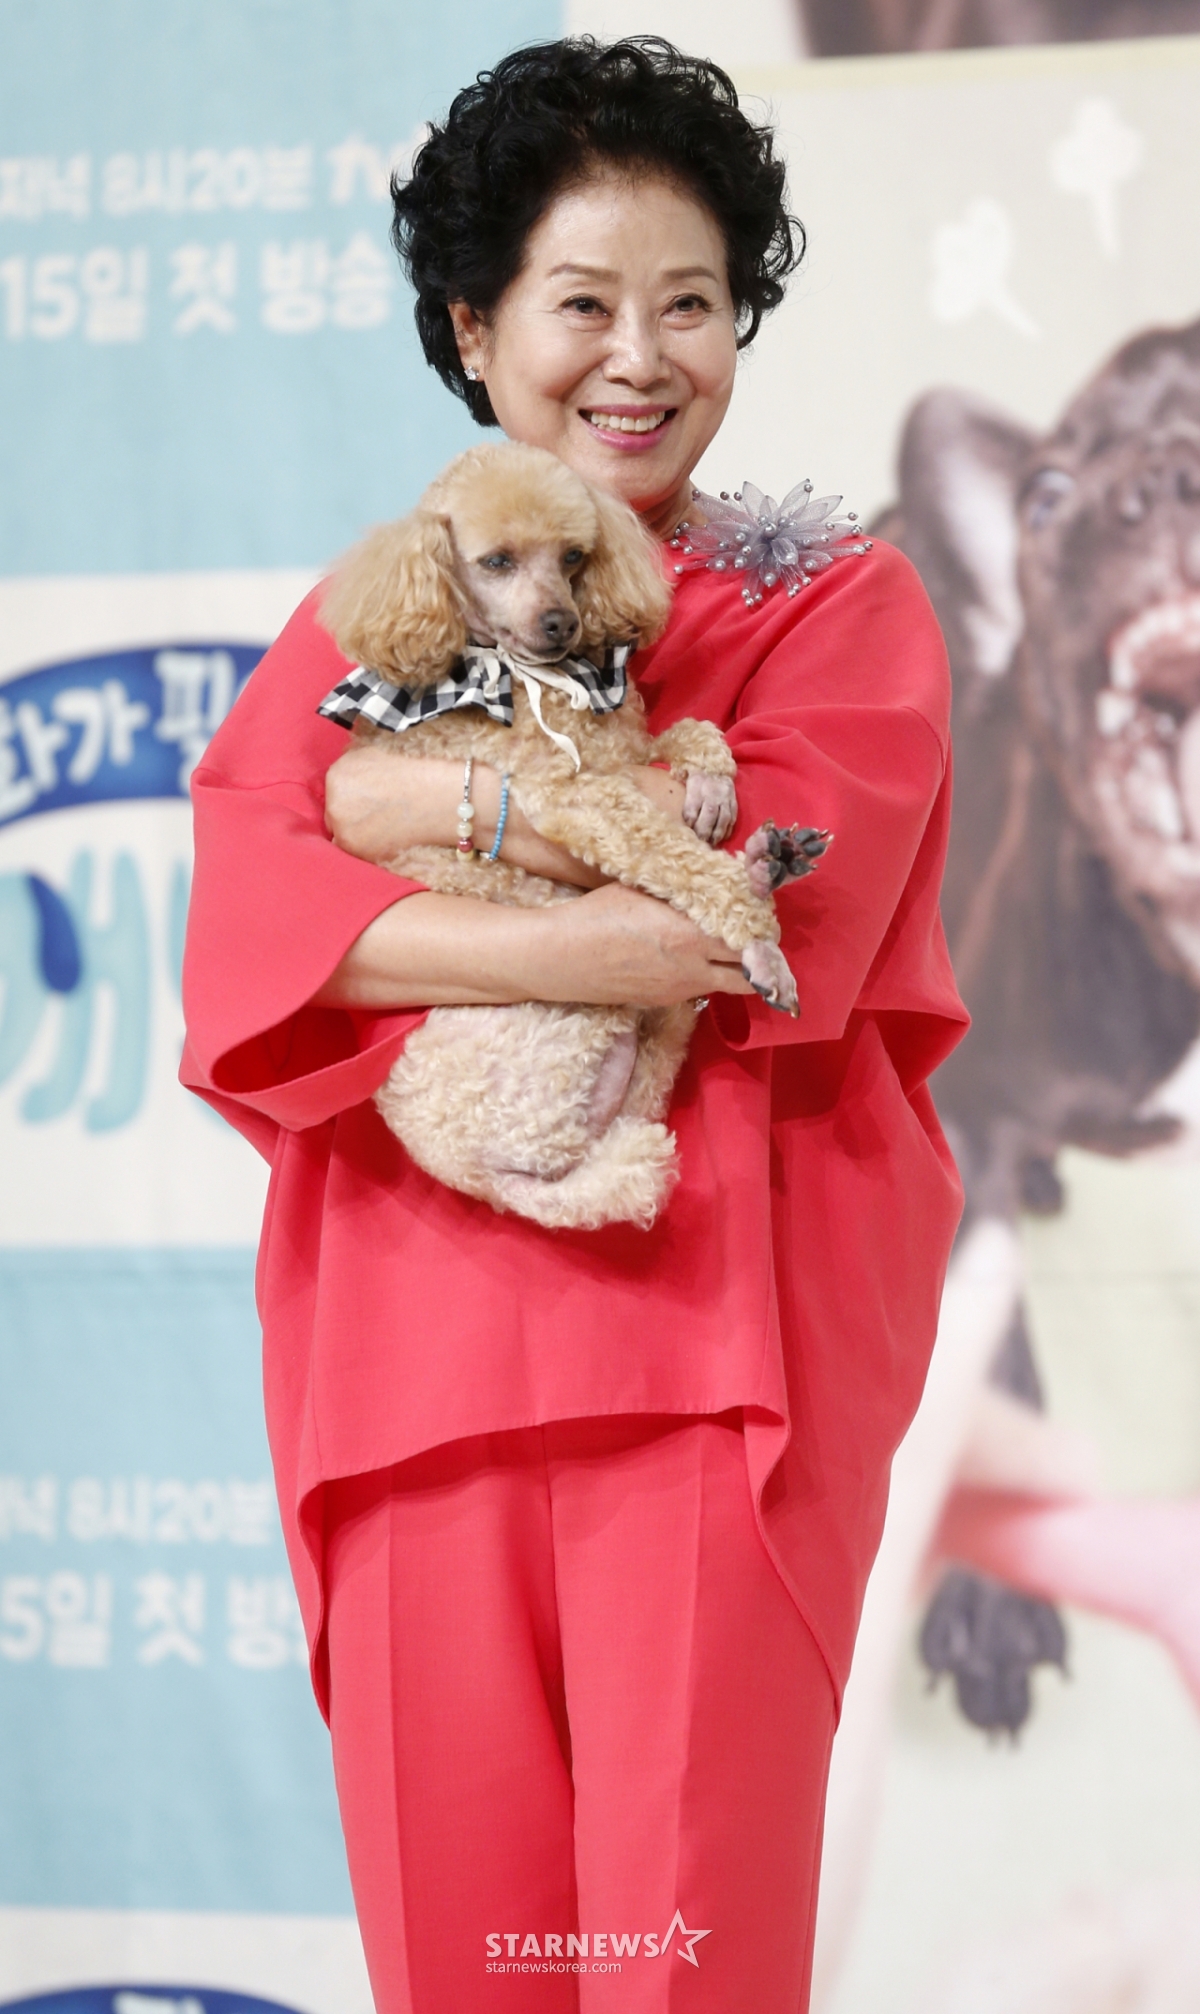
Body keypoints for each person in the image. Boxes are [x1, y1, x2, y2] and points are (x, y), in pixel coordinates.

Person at [181, 36, 967, 2014]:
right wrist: (533, 868)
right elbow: (251, 942)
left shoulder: (833, 605)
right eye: (582, 303)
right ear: (476, 327)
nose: (641, 357)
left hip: (712, 1376)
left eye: (691, 303)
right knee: (464, 1970)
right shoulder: (382, 613)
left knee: (678, 1968)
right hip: (408, 1381)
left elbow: (728, 932)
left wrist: (414, 833)